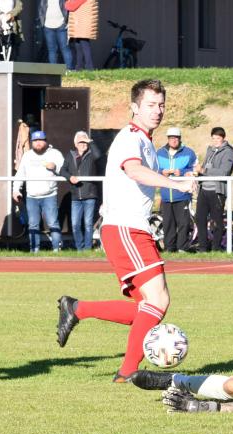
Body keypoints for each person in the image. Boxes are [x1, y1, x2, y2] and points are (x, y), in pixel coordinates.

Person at [55, 79, 196, 382]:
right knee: (158, 302)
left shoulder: (144, 140)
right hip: (125, 228)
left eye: (161, 105)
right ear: (135, 107)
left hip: (130, 228)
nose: (157, 111)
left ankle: (77, 308)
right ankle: (128, 372)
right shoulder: (131, 138)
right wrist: (177, 183)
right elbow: (133, 170)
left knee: (148, 307)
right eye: (150, 105)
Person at [13, 130, 65, 252]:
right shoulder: (27, 156)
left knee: (53, 223)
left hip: (50, 195)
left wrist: (55, 167)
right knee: (33, 224)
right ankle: (34, 251)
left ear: (46, 141)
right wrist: (16, 190)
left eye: (40, 140)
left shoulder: (55, 154)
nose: (38, 143)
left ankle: (56, 250)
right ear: (32, 142)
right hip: (32, 196)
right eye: (35, 141)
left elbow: (65, 170)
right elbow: (20, 174)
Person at [58, 130, 103, 251]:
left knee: (88, 224)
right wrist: (70, 177)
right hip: (75, 196)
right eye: (80, 142)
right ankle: (80, 248)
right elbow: (62, 170)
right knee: (75, 225)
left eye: (85, 141)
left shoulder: (91, 153)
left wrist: (91, 142)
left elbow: (98, 155)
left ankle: (87, 249)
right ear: (75, 143)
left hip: (90, 194)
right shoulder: (70, 155)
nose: (83, 144)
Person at [193, 127, 233, 252]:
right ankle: (202, 248)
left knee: (216, 221)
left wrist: (204, 171)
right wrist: (197, 174)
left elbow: (224, 172)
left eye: (218, 138)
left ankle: (216, 249)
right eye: (213, 138)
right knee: (200, 219)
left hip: (217, 191)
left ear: (223, 138)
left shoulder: (229, 152)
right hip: (204, 190)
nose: (215, 140)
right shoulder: (210, 150)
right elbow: (204, 167)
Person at [156, 127, 197, 252]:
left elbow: (196, 170)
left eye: (176, 138)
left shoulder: (189, 152)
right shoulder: (159, 153)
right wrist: (161, 172)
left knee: (184, 223)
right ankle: (169, 248)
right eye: (171, 138)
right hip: (166, 195)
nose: (173, 140)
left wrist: (183, 172)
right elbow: (153, 170)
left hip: (182, 194)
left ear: (180, 139)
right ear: (168, 139)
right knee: (168, 223)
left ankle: (182, 248)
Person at [38, 0, 73, 68]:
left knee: (65, 48)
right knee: (52, 50)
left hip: (61, 26)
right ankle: (53, 71)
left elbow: (68, 9)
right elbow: (41, 9)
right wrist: (43, 23)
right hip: (48, 26)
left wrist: (66, 22)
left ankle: (69, 70)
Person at [66, 0, 97, 70]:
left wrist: (68, 1)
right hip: (82, 25)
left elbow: (69, 6)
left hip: (82, 25)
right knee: (79, 46)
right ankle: (79, 66)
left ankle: (89, 67)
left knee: (84, 46)